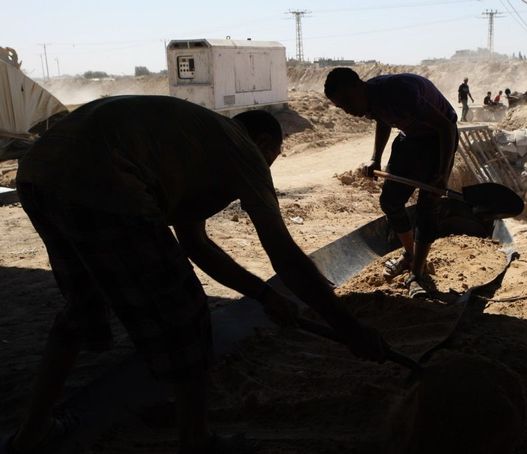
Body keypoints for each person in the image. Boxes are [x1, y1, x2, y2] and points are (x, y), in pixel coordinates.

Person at [5, 95, 387, 454]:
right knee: (184, 310)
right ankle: (196, 442)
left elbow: (195, 243)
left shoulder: (198, 141)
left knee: (82, 307)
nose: (269, 166)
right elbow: (284, 254)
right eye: (275, 155)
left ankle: (32, 431)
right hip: (102, 180)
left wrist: (265, 296)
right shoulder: (242, 149)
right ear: (265, 141)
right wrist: (348, 328)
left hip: (39, 174)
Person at [324, 68, 458, 298]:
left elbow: (446, 127)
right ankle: (410, 254)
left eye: (347, 101)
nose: (347, 110)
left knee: (427, 207)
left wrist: (442, 173)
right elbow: (383, 120)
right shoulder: (368, 100)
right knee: (390, 201)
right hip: (410, 138)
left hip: (438, 139)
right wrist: (376, 157)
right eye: (340, 107)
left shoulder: (398, 93)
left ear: (358, 85)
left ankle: (417, 274)